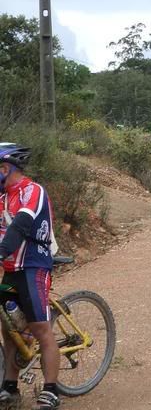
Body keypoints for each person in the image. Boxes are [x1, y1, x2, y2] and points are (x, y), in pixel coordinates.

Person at [0, 144, 61, 410]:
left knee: (40, 329)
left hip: (33, 265)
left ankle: (50, 389)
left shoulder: (32, 191)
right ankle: (10, 387)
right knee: (9, 329)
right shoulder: (2, 197)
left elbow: (19, 227)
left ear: (5, 168)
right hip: (10, 267)